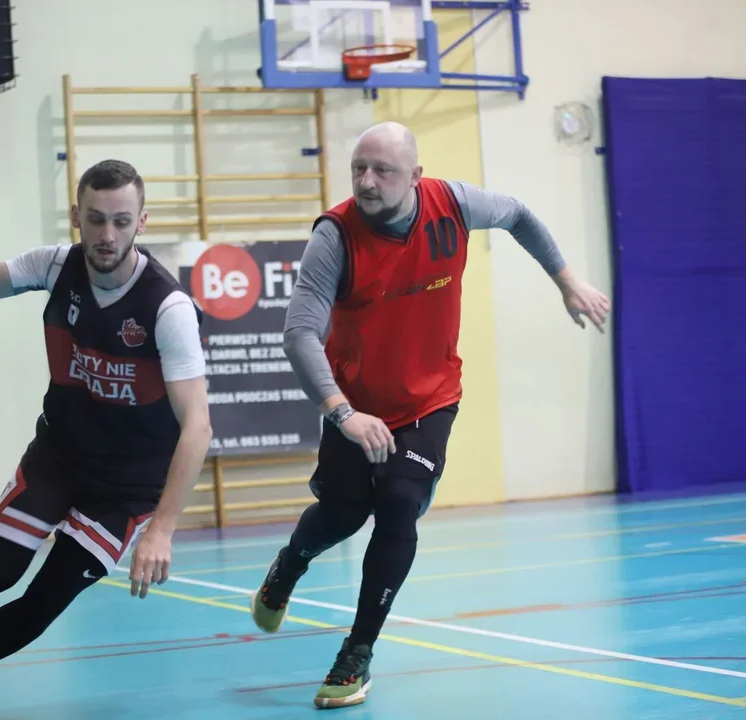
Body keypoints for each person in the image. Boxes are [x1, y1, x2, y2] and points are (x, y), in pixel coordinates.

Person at [249, 122, 610, 708]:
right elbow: (299, 335)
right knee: (343, 514)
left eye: (382, 170)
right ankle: (290, 564)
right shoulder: (334, 237)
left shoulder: (455, 205)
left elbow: (518, 214)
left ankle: (357, 653)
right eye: (359, 168)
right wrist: (342, 412)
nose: (367, 181)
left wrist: (566, 280)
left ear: (416, 176)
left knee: (398, 504)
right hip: (355, 405)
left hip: (429, 399)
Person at [0, 159, 213, 719]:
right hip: (59, 458)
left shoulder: (168, 308)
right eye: (95, 219)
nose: (107, 234)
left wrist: (162, 528)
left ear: (141, 223)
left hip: (127, 489)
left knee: (43, 603)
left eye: (121, 221)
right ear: (77, 217)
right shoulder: (55, 265)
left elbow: (198, 426)